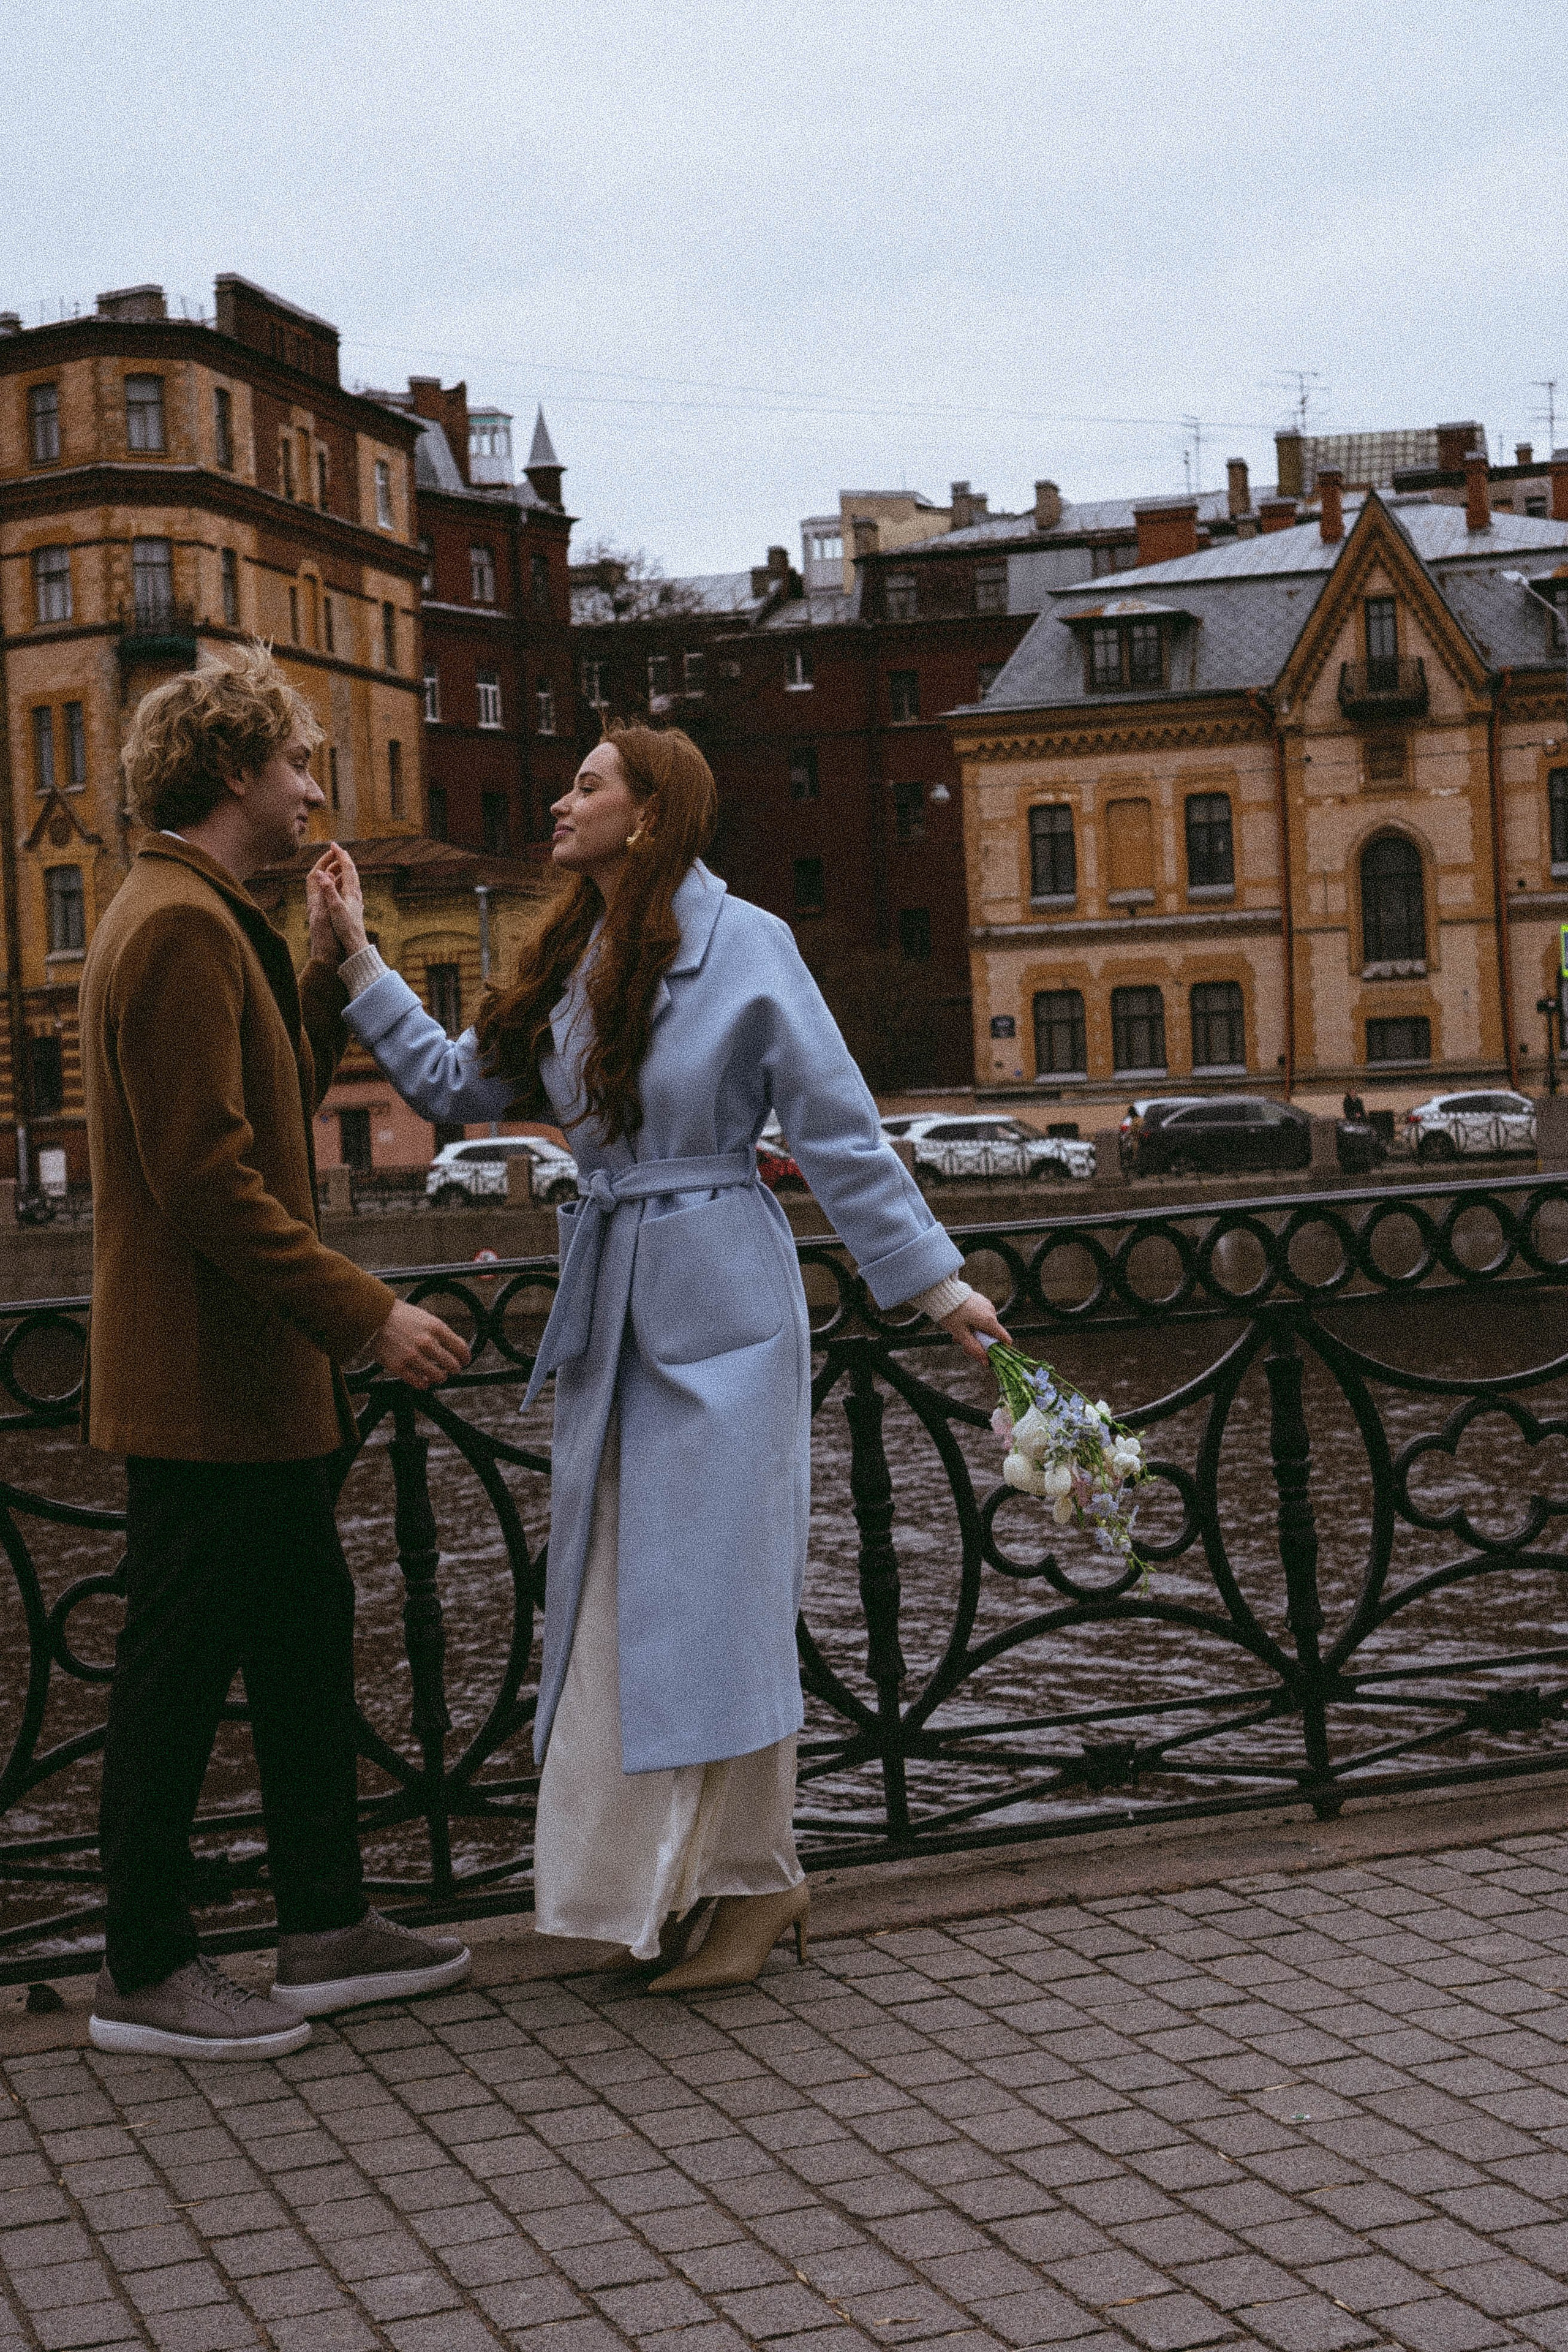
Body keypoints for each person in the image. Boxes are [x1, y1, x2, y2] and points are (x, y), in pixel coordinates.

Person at [312, 722, 1007, 1992]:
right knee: (623, 1607)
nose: (560, 803)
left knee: (721, 1605)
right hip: (618, 1304)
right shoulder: (575, 951)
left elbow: (838, 1129)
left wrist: (934, 1284)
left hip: (726, 1302)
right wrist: (357, 956)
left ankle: (754, 1882)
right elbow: (459, 1086)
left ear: (648, 815)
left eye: (586, 785)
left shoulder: (749, 945)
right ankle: (671, 1889)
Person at [83, 644, 474, 2060]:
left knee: (305, 1646)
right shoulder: (175, 925)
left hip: (250, 1385)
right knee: (175, 1676)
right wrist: (366, 1313)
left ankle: (323, 1922)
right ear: (234, 770)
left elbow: (264, 1103)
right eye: (297, 764)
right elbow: (205, 1178)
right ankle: (146, 1969)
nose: (313, 788)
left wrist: (318, 978)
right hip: (206, 1382)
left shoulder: (198, 911)